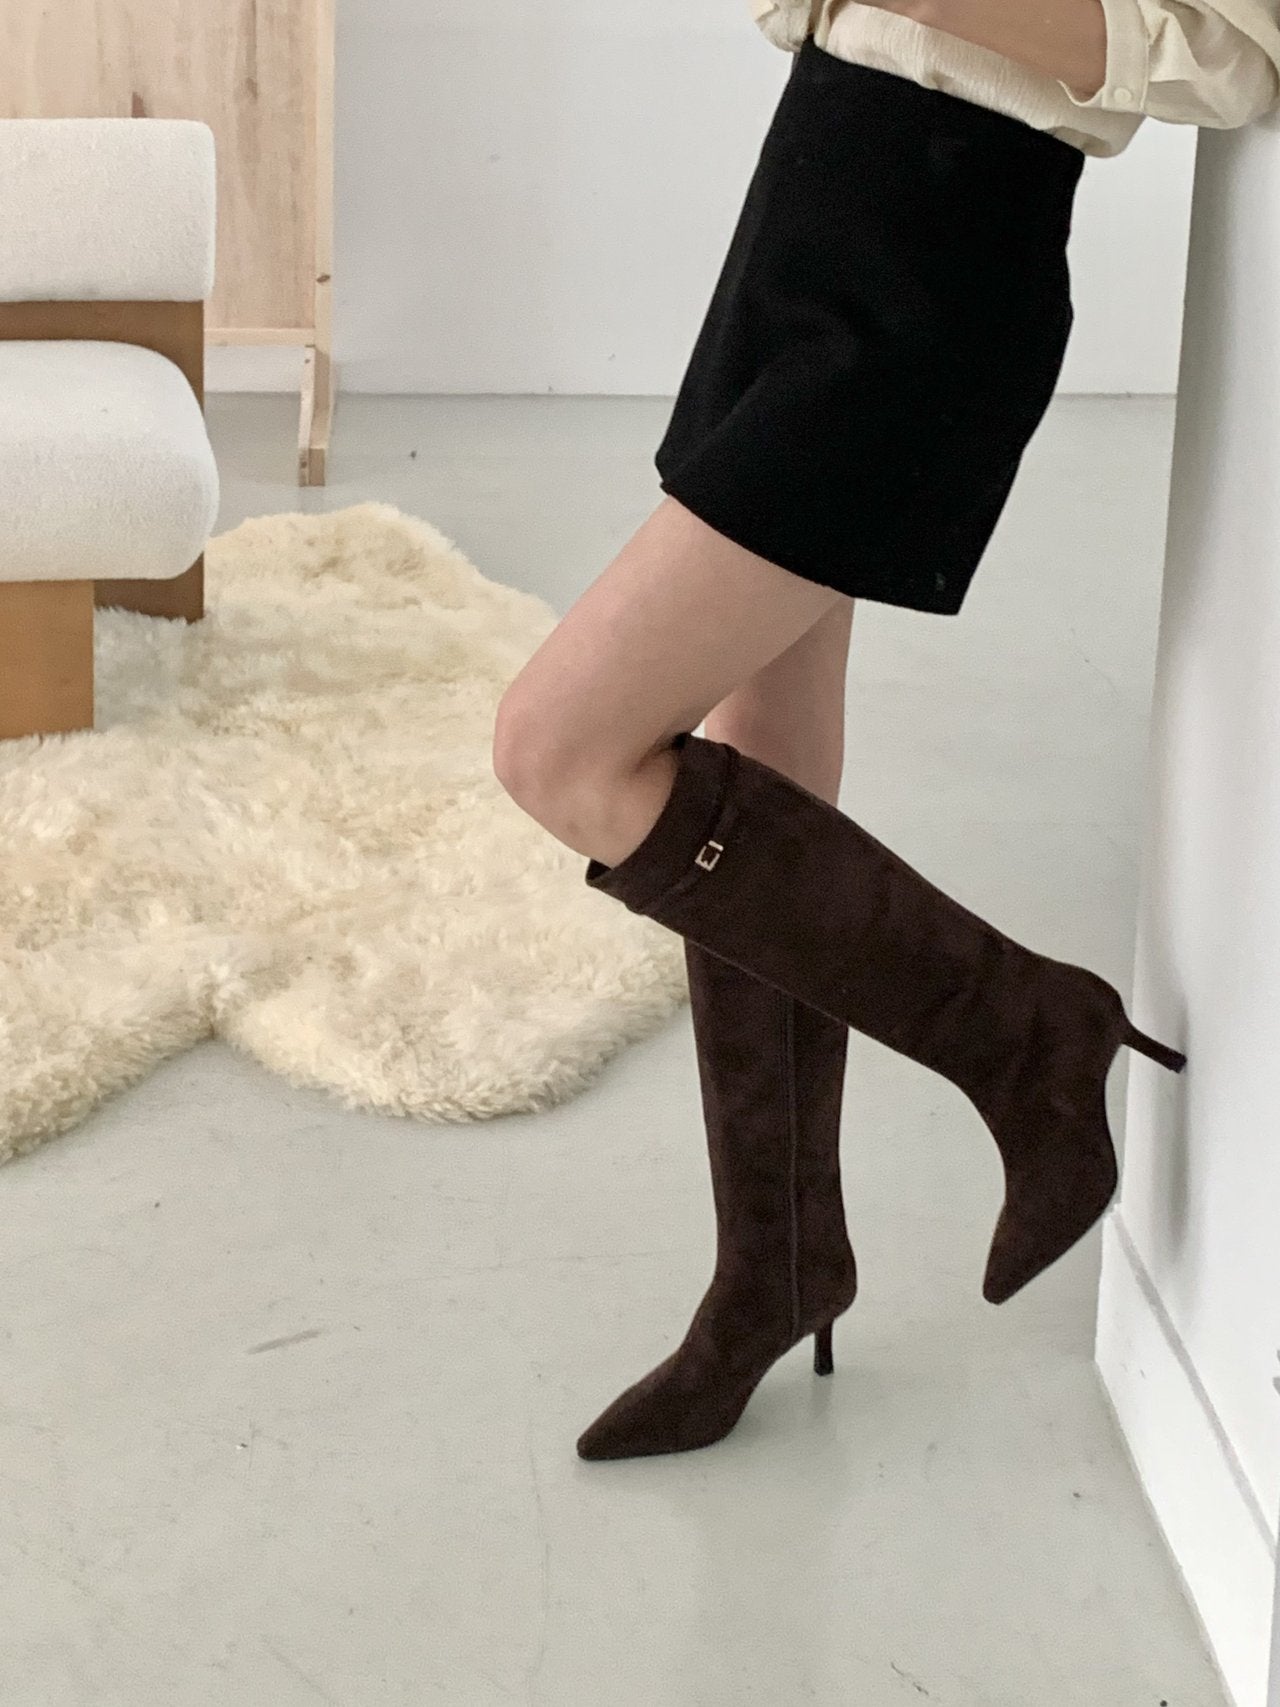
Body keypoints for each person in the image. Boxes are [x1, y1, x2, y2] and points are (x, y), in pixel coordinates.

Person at [492, 0, 1280, 1462]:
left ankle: (1026, 1033)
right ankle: (775, 1268)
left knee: (559, 747)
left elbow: (1233, 54)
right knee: (762, 758)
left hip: (943, 250)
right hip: (811, 191)